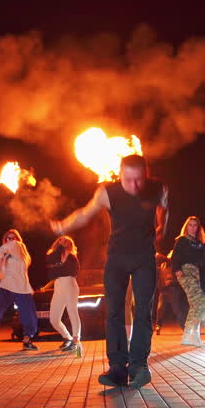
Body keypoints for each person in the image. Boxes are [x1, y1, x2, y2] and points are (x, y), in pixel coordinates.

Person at [52, 154, 169, 388]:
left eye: (138, 180)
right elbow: (85, 213)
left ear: (146, 174)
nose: (134, 186)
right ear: (120, 173)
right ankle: (117, 369)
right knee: (114, 312)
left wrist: (161, 226)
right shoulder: (107, 192)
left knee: (143, 310)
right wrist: (65, 225)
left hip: (144, 257)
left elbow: (165, 209)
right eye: (128, 180)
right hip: (116, 259)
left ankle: (139, 367)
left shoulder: (158, 188)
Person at [0, 228, 40, 355]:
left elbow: (10, 248)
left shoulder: (22, 251)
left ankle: (27, 341)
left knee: (29, 316)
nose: (11, 241)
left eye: (13, 238)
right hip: (7, 287)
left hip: (22, 288)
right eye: (8, 238)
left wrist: (1, 251)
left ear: (18, 240)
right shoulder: (4, 256)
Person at [168, 215, 205, 347]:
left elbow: (202, 261)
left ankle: (189, 336)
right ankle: (192, 333)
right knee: (202, 301)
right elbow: (175, 256)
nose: (193, 228)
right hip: (184, 272)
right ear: (186, 227)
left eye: (195, 225)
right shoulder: (182, 240)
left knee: (194, 304)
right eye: (190, 225)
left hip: (195, 273)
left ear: (198, 228)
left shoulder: (199, 243)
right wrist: (177, 269)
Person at [45, 235, 82, 355]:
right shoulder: (53, 256)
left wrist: (64, 258)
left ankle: (76, 341)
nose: (64, 243)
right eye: (61, 241)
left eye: (66, 241)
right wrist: (60, 257)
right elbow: (51, 271)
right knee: (54, 319)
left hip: (69, 283)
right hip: (59, 285)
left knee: (72, 311)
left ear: (70, 244)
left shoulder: (72, 257)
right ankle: (67, 337)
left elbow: (74, 271)